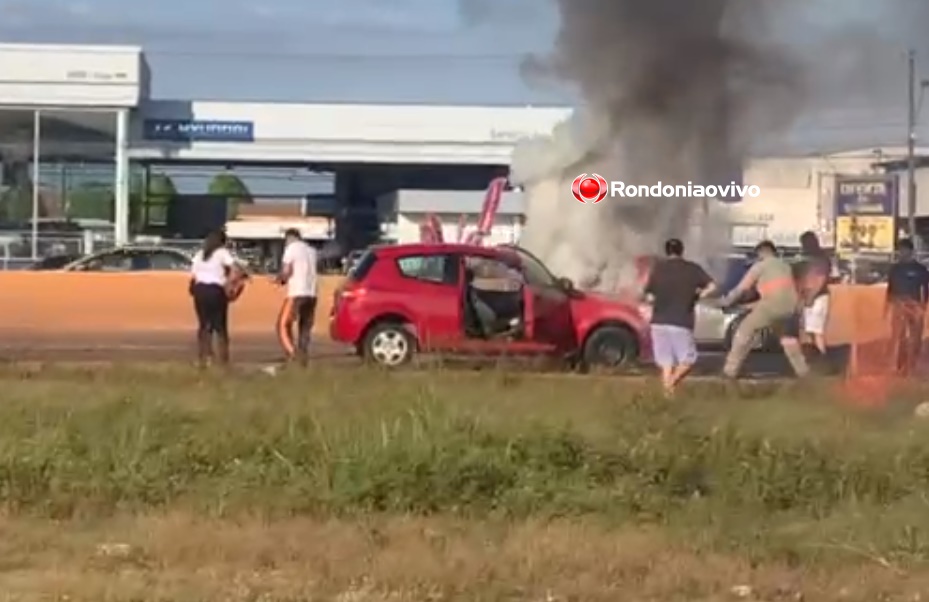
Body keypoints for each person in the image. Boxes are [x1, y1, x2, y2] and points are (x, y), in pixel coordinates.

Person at [718, 240, 810, 380]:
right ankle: (804, 373)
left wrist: (726, 301)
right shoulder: (785, 266)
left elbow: (742, 289)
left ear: (762, 252)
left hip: (771, 305)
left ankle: (729, 371)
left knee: (744, 330)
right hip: (790, 306)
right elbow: (780, 292)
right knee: (788, 340)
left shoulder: (760, 266)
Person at [643, 238, 717, 396]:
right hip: (681, 321)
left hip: (658, 322)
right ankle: (670, 385)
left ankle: (667, 395)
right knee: (688, 360)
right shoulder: (692, 269)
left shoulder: (658, 269)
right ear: (682, 251)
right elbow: (712, 286)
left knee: (666, 363)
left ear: (666, 251)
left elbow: (649, 296)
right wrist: (699, 295)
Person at [189, 230, 243, 367]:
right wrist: (230, 283)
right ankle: (223, 360)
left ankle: (204, 358)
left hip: (200, 290)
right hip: (215, 290)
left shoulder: (200, 254)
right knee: (220, 327)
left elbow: (193, 276)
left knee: (203, 326)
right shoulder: (221, 252)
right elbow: (236, 269)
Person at [884, 238, 929, 375]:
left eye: (904, 250)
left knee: (915, 336)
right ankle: (900, 365)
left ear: (910, 251)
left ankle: (913, 364)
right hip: (898, 304)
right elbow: (890, 288)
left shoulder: (920, 270)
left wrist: (923, 304)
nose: (901, 253)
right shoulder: (895, 269)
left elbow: (926, 288)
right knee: (898, 335)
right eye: (900, 250)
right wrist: (888, 303)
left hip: (915, 304)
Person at [276, 228, 318, 365]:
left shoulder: (291, 249)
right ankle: (303, 355)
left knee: (282, 325)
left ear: (289, 238)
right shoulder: (312, 251)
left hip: (297, 292)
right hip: (312, 293)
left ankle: (293, 354)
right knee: (305, 327)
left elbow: (287, 271)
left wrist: (280, 279)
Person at [795, 231, 832, 357]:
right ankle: (816, 357)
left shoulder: (819, 259)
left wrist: (810, 298)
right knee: (809, 330)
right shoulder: (813, 258)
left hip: (818, 298)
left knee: (816, 331)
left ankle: (823, 358)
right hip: (813, 297)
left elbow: (820, 280)